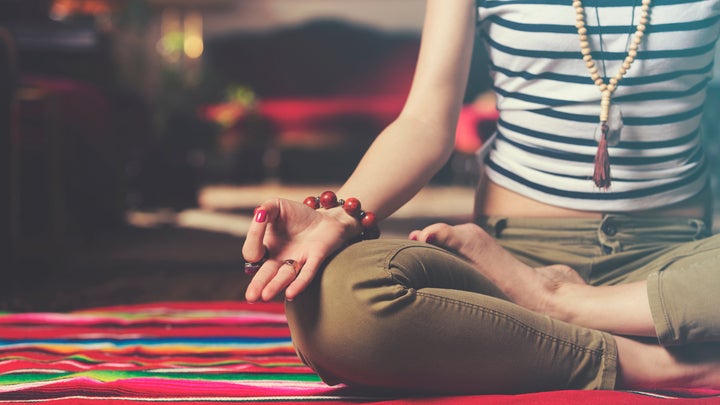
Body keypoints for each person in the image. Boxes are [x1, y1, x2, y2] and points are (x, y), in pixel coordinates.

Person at [241, 0, 720, 394]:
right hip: (508, 266)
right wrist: (340, 217)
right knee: (331, 302)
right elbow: (425, 124)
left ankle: (563, 312)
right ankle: (659, 361)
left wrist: (566, 302)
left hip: (674, 261)